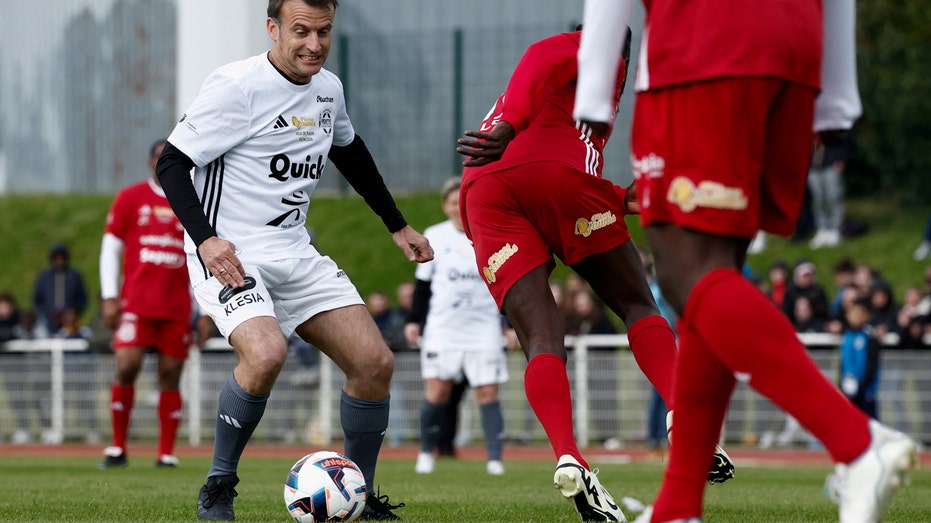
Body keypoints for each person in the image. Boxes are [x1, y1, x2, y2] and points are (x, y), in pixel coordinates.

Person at [573, 1, 918, 522]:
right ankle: (678, 506)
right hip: (793, 50)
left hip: (701, 44)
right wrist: (837, 97)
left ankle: (857, 443)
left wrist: (594, 85)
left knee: (685, 273)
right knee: (714, 279)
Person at [155, 0, 433, 520]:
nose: (314, 44)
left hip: (295, 250)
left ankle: (361, 496)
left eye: (323, 32)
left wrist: (397, 225)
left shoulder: (328, 89)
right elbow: (171, 163)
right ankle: (218, 486)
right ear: (273, 28)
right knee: (264, 355)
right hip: (231, 254)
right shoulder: (237, 85)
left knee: (375, 365)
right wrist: (206, 240)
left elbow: (350, 152)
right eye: (301, 31)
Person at [455, 26, 732, 522]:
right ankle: (682, 413)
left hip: (484, 193)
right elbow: (544, 54)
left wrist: (622, 197)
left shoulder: (560, 102)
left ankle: (569, 455)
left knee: (541, 337)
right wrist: (510, 126)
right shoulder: (604, 49)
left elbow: (570, 157)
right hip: (550, 176)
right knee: (637, 304)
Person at [405, 178, 512, 476]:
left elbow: (504, 283)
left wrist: (509, 325)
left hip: (484, 327)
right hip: (443, 328)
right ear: (445, 206)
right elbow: (423, 285)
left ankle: (494, 459)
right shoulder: (434, 236)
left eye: (462, 202)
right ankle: (426, 452)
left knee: (488, 391)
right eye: (453, 202)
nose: (458, 208)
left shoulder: (490, 231)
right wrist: (414, 320)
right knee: (437, 392)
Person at [97, 138, 193, 469]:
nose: (163, 163)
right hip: (136, 303)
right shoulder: (130, 198)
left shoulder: (192, 199)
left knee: (170, 374)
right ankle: (117, 448)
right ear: (150, 162)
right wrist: (110, 295)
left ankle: (166, 453)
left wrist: (207, 310)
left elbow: (205, 255)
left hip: (176, 306)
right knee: (126, 367)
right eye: (158, 158)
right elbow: (111, 247)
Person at [808, 131, 855, 249]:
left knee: (833, 197)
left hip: (831, 164)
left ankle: (835, 229)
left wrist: (842, 159)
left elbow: (846, 138)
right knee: (818, 199)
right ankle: (822, 229)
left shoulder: (833, 118)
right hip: (813, 166)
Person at [32, 242, 89, 334]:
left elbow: (82, 298)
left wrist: (73, 313)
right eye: (56, 258)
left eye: (62, 258)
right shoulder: (44, 277)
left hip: (70, 323)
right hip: (49, 322)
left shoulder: (74, 276)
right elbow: (37, 300)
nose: (59, 261)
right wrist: (46, 314)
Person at [840, 299, 881, 419]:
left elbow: (872, 365)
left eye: (859, 314)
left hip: (865, 391)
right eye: (853, 313)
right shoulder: (846, 336)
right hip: (848, 388)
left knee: (869, 424)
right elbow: (843, 362)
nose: (855, 317)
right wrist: (842, 384)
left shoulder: (869, 336)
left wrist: (861, 385)